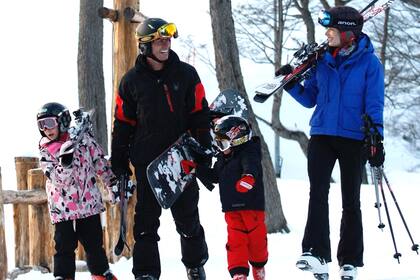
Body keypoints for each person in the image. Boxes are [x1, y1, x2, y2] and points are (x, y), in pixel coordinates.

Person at [280, 6, 385, 280]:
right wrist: (290, 83)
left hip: (353, 138)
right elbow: (309, 98)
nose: (327, 35)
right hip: (322, 135)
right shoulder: (322, 61)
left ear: (348, 34)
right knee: (318, 193)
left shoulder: (370, 64)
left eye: (332, 31)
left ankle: (349, 260)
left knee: (350, 200)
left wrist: (376, 138)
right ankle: (315, 254)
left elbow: (374, 105)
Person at [110, 18, 212, 280]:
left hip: (182, 160)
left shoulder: (187, 74)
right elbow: (122, 123)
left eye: (167, 40)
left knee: (188, 220)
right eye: (159, 41)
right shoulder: (131, 81)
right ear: (145, 46)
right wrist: (118, 161)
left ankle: (195, 265)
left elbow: (200, 113)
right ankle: (146, 274)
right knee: (145, 224)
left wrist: (203, 151)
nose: (165, 45)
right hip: (148, 163)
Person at [37, 102, 119, 280]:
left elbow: (99, 161)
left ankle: (100, 273)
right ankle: (63, 276)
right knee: (64, 244)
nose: (46, 129)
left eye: (49, 123)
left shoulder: (82, 140)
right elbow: (57, 179)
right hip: (63, 207)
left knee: (93, 242)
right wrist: (64, 164)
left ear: (62, 121)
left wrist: (111, 182)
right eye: (41, 125)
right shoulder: (46, 151)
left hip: (87, 202)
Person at [190, 115, 268, 280]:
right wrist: (196, 169)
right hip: (231, 210)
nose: (220, 147)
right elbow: (215, 177)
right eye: (218, 143)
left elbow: (251, 166)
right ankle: (239, 274)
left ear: (237, 140)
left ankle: (259, 268)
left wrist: (248, 177)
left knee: (257, 242)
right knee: (235, 243)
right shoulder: (222, 159)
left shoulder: (249, 152)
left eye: (223, 143)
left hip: (251, 208)